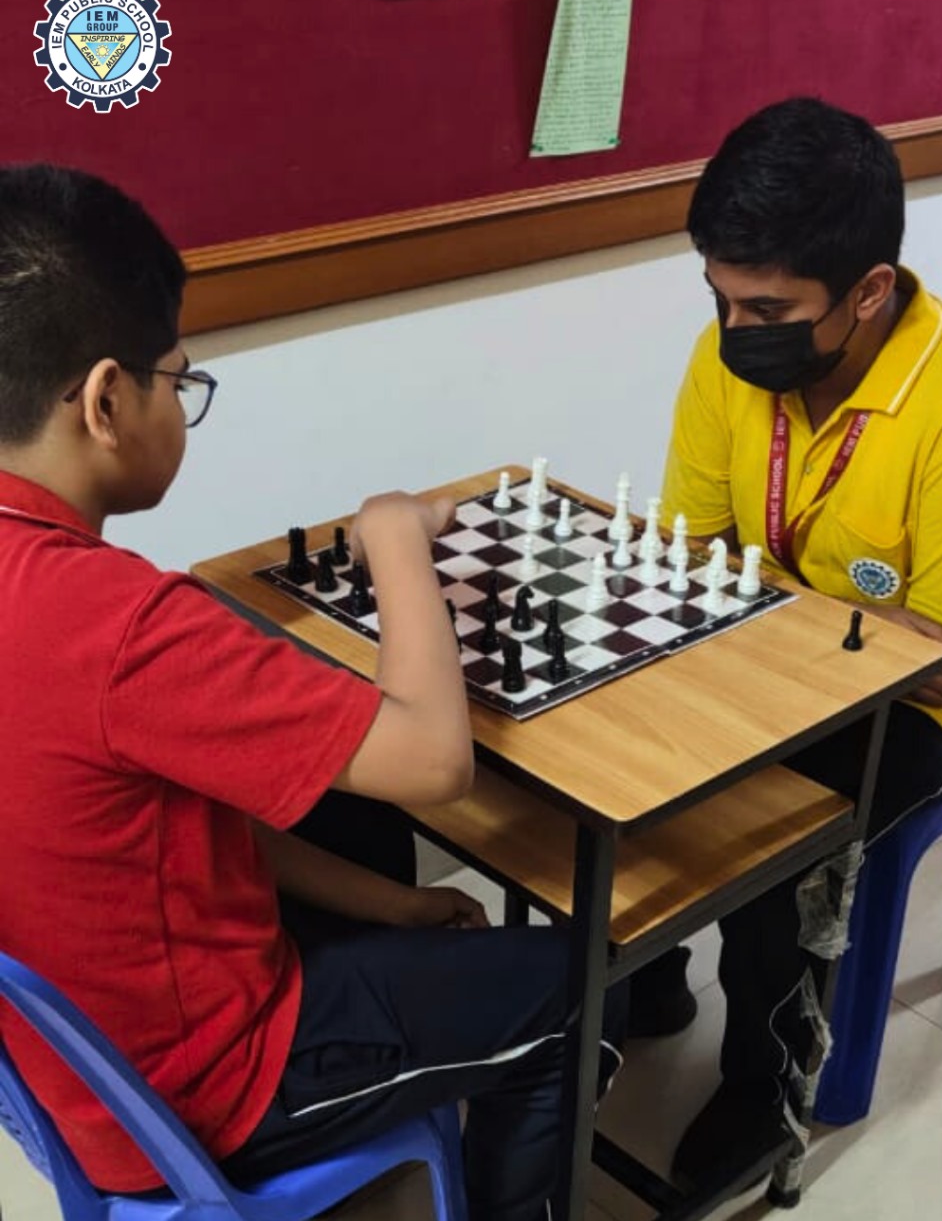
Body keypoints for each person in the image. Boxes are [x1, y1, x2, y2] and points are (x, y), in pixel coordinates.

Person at [0, 164, 625, 1221]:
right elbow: (434, 761)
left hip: (67, 1069)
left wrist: (401, 907)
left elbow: (186, 826)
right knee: (579, 988)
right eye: (178, 381)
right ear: (106, 401)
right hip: (192, 1092)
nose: (181, 406)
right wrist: (394, 536)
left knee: (344, 810)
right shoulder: (120, 624)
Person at [660, 97, 942, 1193]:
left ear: (869, 290)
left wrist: (783, 606)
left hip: (927, 714)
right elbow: (689, 556)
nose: (734, 331)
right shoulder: (729, 355)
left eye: (767, 308)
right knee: (621, 743)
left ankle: (764, 1091)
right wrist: (839, 619)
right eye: (720, 299)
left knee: (778, 832)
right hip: (778, 645)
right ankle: (641, 982)